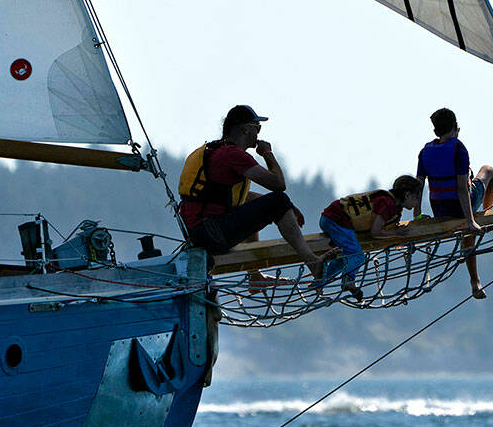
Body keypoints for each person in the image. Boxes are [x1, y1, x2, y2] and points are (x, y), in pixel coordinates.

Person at [178, 104, 325, 280]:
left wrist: (289, 208)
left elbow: (237, 198)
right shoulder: (233, 155)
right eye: (258, 128)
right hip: (212, 232)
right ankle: (313, 263)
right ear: (246, 129)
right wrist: (267, 153)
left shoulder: (217, 151)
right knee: (279, 201)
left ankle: (255, 277)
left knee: (260, 206)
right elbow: (278, 184)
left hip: (201, 231)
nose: (258, 134)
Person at [413, 107, 493, 299]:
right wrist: (470, 220)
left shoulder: (424, 151)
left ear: (435, 132)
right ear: (456, 128)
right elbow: (461, 188)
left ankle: (475, 281)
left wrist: (417, 215)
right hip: (460, 207)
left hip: (440, 209)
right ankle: (488, 213)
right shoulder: (458, 148)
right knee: (489, 170)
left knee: (467, 231)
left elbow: (418, 186)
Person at [319, 175, 423, 300]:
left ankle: (318, 282)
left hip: (332, 218)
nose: (418, 201)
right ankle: (348, 282)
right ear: (407, 195)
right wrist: (397, 234)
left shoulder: (391, 204)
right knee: (357, 256)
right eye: (417, 197)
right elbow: (375, 232)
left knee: (343, 260)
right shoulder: (388, 205)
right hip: (337, 219)